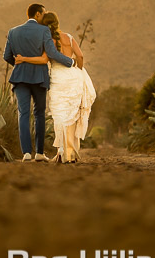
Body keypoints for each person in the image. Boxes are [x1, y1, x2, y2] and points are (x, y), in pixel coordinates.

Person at [13, 10, 96, 163]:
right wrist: (79, 69)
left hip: (59, 78)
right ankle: (71, 153)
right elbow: (80, 56)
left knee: (60, 116)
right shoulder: (69, 38)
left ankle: (62, 153)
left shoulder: (48, 40)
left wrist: (23, 58)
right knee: (72, 115)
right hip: (73, 77)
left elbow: (43, 60)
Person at [3, 3, 77, 161]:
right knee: (39, 114)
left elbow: (6, 56)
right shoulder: (44, 30)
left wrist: (19, 64)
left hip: (19, 77)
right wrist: (69, 62)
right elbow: (51, 52)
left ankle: (26, 153)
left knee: (23, 114)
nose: (44, 17)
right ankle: (39, 153)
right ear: (37, 14)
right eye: (43, 14)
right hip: (39, 78)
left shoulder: (13, 31)